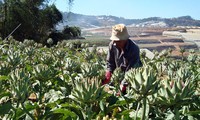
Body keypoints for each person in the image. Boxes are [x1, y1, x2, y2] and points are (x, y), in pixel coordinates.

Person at [102, 24, 142, 95]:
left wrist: (122, 87)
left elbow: (131, 71)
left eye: (118, 40)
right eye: (114, 40)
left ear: (125, 40)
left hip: (133, 80)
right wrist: (107, 77)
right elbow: (110, 64)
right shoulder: (112, 45)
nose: (115, 42)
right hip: (118, 76)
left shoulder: (134, 49)